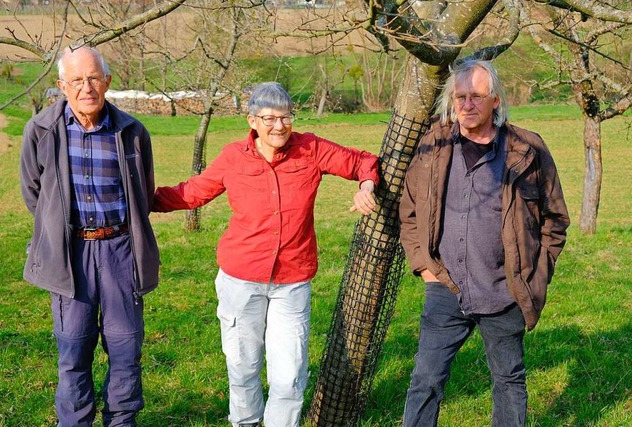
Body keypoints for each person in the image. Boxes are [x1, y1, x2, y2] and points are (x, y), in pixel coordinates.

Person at [152, 81, 379, 427]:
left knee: (288, 375)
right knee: (243, 368)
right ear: (252, 121)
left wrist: (366, 185)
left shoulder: (311, 149)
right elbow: (192, 193)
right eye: (269, 118)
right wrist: (138, 200)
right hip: (240, 280)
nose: (279, 126)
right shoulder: (233, 157)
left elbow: (363, 161)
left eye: (285, 117)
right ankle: (245, 423)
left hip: (292, 283)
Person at [399, 59, 570, 427]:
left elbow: (554, 221)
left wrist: (534, 278)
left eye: (476, 96)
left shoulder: (527, 148)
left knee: (508, 381)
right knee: (426, 380)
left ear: (495, 99)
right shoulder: (434, 145)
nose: (467, 104)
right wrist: (424, 267)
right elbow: (409, 210)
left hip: (504, 290)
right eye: (460, 96)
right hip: (446, 286)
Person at [20, 45, 160, 426]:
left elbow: (143, 193)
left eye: (93, 78)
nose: (86, 87)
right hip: (69, 255)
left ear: (107, 81)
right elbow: (35, 192)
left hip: (120, 251)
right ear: (62, 85)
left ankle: (122, 420)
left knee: (126, 347)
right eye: (77, 80)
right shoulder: (41, 130)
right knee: (73, 351)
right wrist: (58, 228)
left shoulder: (132, 131)